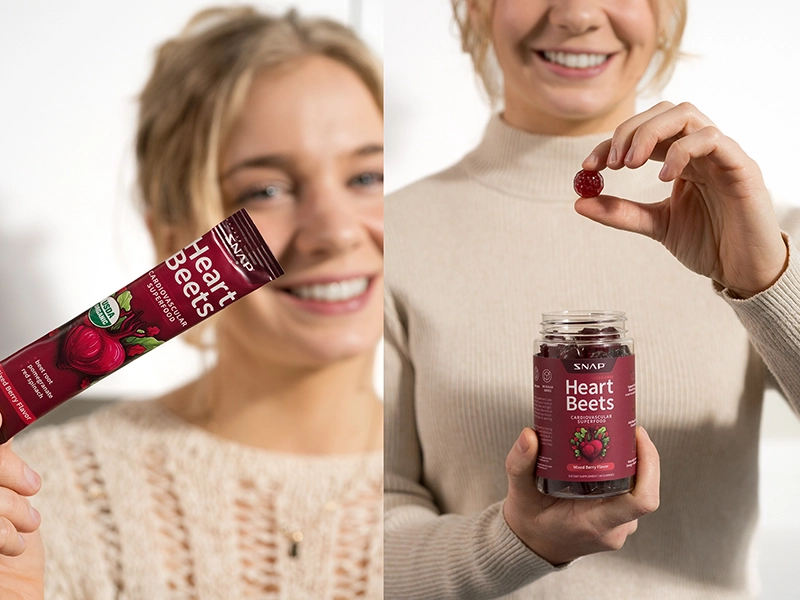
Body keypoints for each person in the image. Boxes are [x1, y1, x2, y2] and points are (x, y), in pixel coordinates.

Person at [384, 0, 800, 598]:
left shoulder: (758, 230)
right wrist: (514, 542)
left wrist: (764, 281)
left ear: (665, 12)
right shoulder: (387, 237)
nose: (577, 14)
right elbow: (362, 539)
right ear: (476, 9)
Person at [0, 6, 384, 599]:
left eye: (366, 177)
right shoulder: (39, 502)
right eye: (267, 189)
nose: (335, 232)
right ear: (171, 236)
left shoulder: (478, 473)